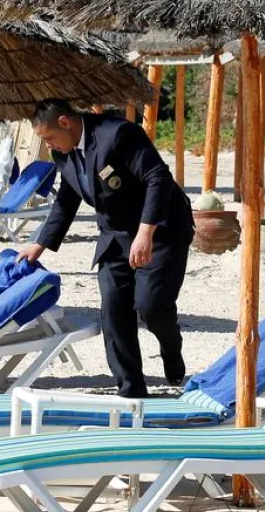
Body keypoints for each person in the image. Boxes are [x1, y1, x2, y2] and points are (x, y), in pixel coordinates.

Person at [16, 99, 193, 397]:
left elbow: (157, 178)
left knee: (151, 308)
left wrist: (145, 232)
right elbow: (67, 199)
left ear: (65, 122)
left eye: (48, 138)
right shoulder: (65, 154)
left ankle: (171, 349)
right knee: (113, 307)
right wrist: (40, 243)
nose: (48, 146)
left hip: (161, 230)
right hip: (115, 236)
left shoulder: (118, 134)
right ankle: (131, 390)